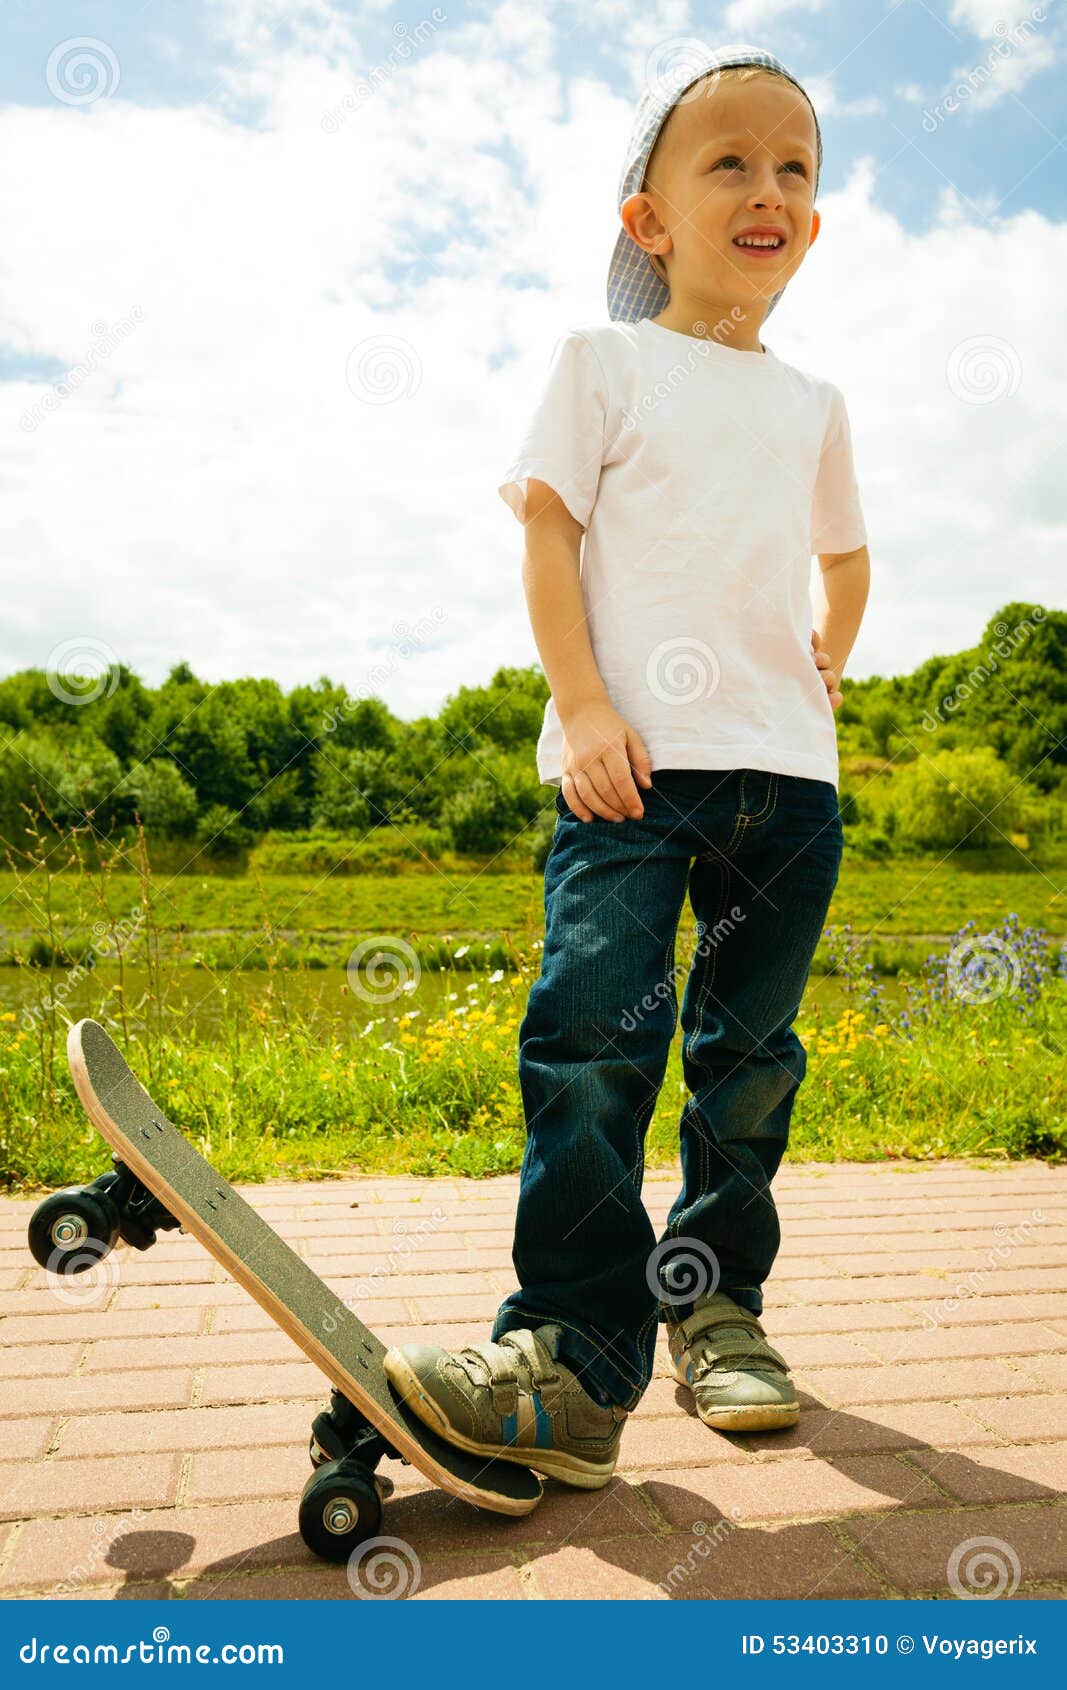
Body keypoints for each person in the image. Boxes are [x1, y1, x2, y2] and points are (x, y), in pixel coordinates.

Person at [383, 41, 870, 1490]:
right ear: (646, 219)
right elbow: (550, 533)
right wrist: (584, 706)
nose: (766, 187)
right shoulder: (603, 362)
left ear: (814, 224)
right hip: (629, 778)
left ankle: (719, 1310)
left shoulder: (815, 404)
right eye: (728, 161)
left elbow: (847, 556)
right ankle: (574, 1361)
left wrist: (825, 652)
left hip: (787, 787)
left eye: (794, 168)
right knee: (592, 1046)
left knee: (746, 1065)